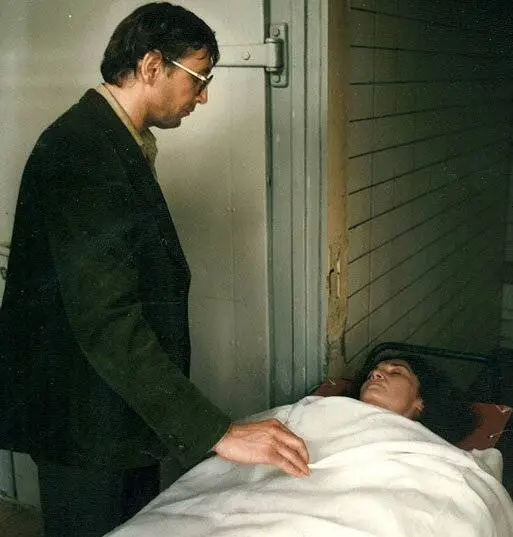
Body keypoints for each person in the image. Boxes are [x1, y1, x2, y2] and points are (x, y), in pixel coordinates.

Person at [0, 3, 309, 536]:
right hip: (84, 417)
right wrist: (216, 432)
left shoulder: (111, 136)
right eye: (199, 78)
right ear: (150, 66)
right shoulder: (83, 149)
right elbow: (107, 320)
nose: (203, 96)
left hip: (117, 405)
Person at [358, 357, 476, 444]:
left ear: (421, 402)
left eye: (396, 372)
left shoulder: (429, 453)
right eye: (369, 375)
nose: (375, 373)